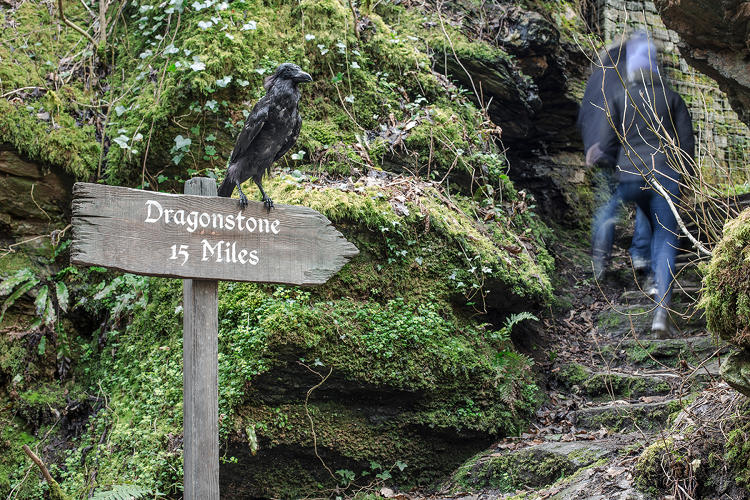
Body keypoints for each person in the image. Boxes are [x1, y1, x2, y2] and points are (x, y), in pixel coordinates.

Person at [590, 32, 695, 336]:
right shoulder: (673, 98)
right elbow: (686, 145)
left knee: (613, 207)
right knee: (665, 237)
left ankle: (601, 252)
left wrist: (611, 162)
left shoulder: (622, 98)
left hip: (631, 176)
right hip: (664, 177)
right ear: (656, 68)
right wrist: (683, 179)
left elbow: (607, 147)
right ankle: (661, 311)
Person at [578, 39, 653, 277]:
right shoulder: (627, 74)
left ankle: (600, 256)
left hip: (600, 151)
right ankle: (641, 254)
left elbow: (584, 115)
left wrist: (592, 145)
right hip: (627, 148)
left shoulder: (595, 79)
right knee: (646, 200)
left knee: (607, 202)